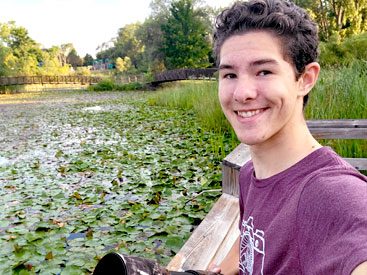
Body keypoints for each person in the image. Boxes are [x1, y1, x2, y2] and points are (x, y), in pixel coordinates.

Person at [209, 0, 367, 274]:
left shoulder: (333, 195)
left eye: (264, 71)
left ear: (305, 79)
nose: (241, 93)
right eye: (230, 74)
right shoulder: (249, 175)